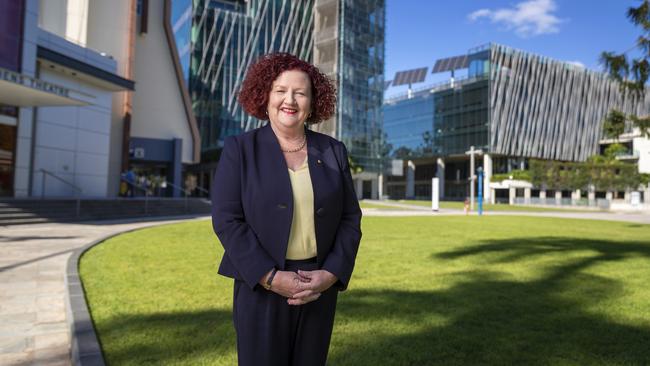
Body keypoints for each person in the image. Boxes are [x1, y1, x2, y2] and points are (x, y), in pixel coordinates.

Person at [211, 53, 362, 366]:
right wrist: (269, 277)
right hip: (261, 288)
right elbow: (227, 220)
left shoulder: (332, 150)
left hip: (318, 287)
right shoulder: (240, 149)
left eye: (300, 92)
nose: (289, 100)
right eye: (280, 90)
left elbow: (350, 217)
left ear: (312, 102)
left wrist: (331, 274)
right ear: (265, 95)